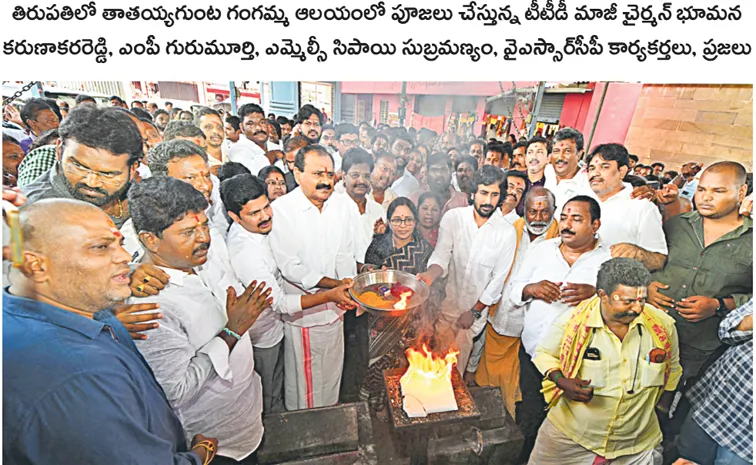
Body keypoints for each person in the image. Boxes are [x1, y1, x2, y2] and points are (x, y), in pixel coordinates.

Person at [3, 199, 216, 464]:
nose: (126, 258)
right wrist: (200, 455)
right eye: (101, 248)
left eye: (119, 244)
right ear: (37, 266)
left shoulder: (61, 306)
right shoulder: (81, 376)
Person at [128, 177, 271, 463]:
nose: (204, 237)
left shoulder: (195, 260)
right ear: (150, 240)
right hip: (214, 443)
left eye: (204, 225)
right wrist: (233, 331)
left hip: (243, 414)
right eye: (188, 232)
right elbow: (176, 390)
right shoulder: (151, 305)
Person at [222, 174, 354, 415]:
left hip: (277, 329)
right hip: (261, 335)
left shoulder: (263, 229)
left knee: (285, 385)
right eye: (254, 213)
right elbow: (280, 303)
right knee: (271, 396)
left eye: (266, 207)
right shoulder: (245, 252)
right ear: (234, 217)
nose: (264, 217)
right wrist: (329, 295)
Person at [529, 258, 681, 465]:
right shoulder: (573, 322)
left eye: (642, 300)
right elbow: (544, 353)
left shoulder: (662, 327)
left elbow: (672, 370)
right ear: (603, 295)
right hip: (572, 437)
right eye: (627, 302)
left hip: (636, 444)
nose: (637, 309)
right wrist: (561, 380)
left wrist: (662, 411)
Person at [510, 195, 613, 462]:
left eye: (577, 219)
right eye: (564, 217)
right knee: (531, 416)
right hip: (534, 354)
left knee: (566, 426)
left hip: (576, 363)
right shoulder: (542, 250)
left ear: (595, 225)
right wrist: (531, 289)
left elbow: (620, 309)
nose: (566, 224)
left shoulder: (608, 260)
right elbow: (513, 290)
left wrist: (595, 294)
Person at [648, 161, 752, 424]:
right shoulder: (676, 225)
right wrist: (647, 286)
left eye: (718, 191)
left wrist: (719, 305)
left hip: (703, 349)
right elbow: (650, 261)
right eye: (702, 189)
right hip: (650, 335)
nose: (706, 197)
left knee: (678, 417)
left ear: (741, 193)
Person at [268, 145, 359, 410]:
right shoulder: (283, 210)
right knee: (307, 389)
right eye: (317, 173)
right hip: (306, 317)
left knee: (331, 380)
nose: (325, 180)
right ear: (297, 174)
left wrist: (348, 288)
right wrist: (335, 286)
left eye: (330, 174)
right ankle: (309, 438)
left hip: (335, 313)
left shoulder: (340, 206)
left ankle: (329, 427)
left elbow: (345, 254)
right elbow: (291, 267)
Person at [418, 166, 517, 374]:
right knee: (433, 363)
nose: (488, 201)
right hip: (446, 306)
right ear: (473, 193)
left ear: (500, 197)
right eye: (483, 193)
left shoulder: (506, 232)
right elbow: (442, 255)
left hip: (472, 316)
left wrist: (474, 311)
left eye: (494, 195)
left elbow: (498, 280)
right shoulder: (453, 218)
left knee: (455, 370)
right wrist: (429, 276)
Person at [472, 187, 560, 418]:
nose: (538, 218)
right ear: (524, 210)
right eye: (532, 211)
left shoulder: (561, 240)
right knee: (489, 380)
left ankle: (512, 427)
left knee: (523, 390)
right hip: (499, 317)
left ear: (554, 211)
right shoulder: (512, 230)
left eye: (545, 212)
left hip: (531, 330)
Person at [360, 197, 435, 412]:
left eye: (408, 220)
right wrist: (375, 274)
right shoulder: (378, 244)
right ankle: (375, 404)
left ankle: (400, 405)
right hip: (380, 317)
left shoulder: (424, 249)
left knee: (403, 363)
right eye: (397, 220)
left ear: (415, 221)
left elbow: (430, 287)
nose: (403, 225)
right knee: (377, 362)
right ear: (389, 221)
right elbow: (366, 273)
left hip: (411, 319)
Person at [22, 105, 140, 229]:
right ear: (59, 151)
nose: (92, 182)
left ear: (132, 169)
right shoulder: (30, 214)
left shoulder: (140, 195)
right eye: (79, 166)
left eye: (108, 174)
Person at [677, 299, 752, 465]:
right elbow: (726, 330)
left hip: (747, 442)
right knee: (686, 457)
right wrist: (749, 323)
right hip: (714, 404)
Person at [587, 143, 668, 271]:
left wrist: (638, 253)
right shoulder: (580, 198)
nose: (595, 173)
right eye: (591, 168)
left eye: (604, 167)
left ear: (622, 171)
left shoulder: (642, 206)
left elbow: (659, 260)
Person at [544, 127, 595, 216]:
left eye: (567, 151)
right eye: (556, 151)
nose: (560, 157)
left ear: (579, 154)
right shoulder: (547, 171)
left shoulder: (588, 185)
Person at [408, 152, 469, 220]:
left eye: (443, 170)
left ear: (451, 172)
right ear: (427, 174)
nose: (439, 174)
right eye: (434, 170)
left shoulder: (463, 199)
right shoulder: (415, 198)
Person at [228, 103, 280, 175]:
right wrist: (272, 155)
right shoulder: (237, 150)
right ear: (242, 128)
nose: (259, 127)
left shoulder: (275, 146)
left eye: (262, 122)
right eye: (251, 124)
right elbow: (249, 173)